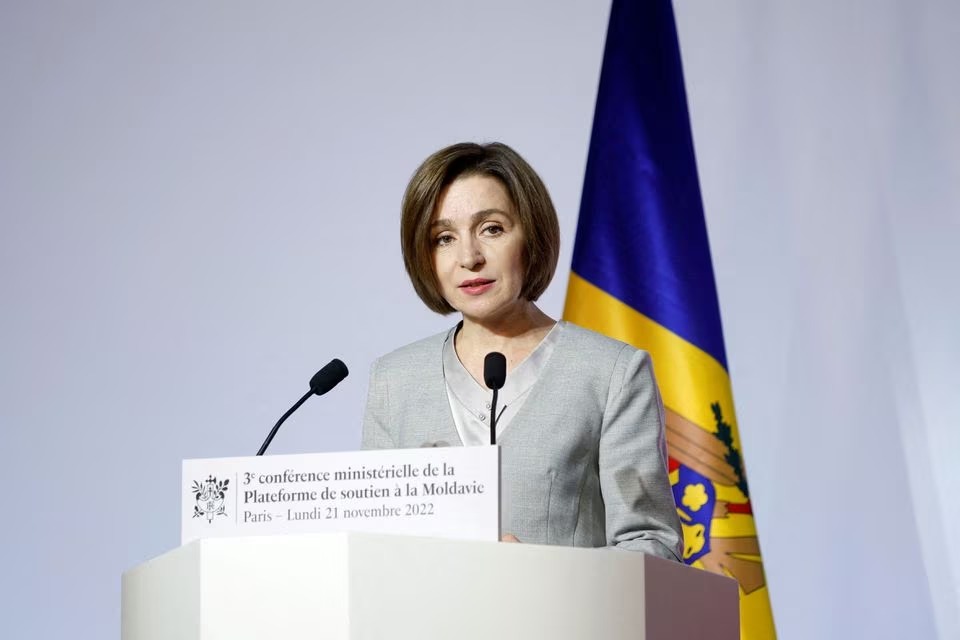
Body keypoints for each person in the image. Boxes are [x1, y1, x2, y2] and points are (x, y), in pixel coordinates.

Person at [362, 142, 682, 561]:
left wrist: (544, 572)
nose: (469, 257)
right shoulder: (394, 380)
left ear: (531, 235)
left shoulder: (611, 373)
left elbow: (652, 546)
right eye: (443, 238)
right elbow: (370, 548)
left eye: (491, 229)